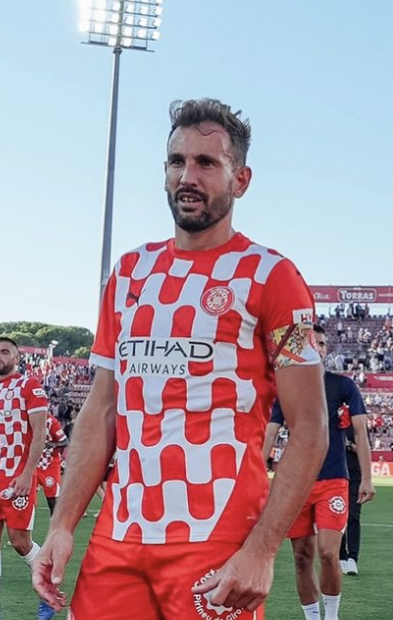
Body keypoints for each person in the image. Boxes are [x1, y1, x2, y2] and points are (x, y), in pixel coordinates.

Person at [32, 98, 329, 619]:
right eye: (177, 161)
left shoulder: (274, 277)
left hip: (215, 538)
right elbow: (101, 412)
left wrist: (260, 550)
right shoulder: (128, 274)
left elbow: (309, 425)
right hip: (119, 536)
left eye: (207, 163)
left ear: (241, 179)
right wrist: (61, 526)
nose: (187, 176)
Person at [264, 323, 375, 620]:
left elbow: (361, 432)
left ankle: (332, 615)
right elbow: (271, 432)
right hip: (296, 483)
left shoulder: (343, 385)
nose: (319, 347)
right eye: (314, 343)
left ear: (327, 350)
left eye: (323, 343)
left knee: (328, 553)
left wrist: (366, 477)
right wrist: (258, 471)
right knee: (302, 557)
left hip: (334, 481)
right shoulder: (285, 388)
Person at [0, 337, 53, 620]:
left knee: (19, 541)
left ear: (17, 358)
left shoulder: (29, 386)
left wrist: (27, 473)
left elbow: (40, 433)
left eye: (5, 351)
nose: (0, 355)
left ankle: (47, 588)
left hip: (15, 477)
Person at [340, 420, 370, 576]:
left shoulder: (357, 425)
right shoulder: (331, 420)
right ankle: (341, 556)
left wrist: (350, 446)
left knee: (353, 515)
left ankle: (352, 557)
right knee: (338, 516)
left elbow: (365, 450)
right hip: (336, 475)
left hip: (354, 475)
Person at [36, 414, 69, 514]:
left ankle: (54, 524)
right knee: (27, 497)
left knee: (51, 498)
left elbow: (64, 441)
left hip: (49, 464)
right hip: (33, 464)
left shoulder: (51, 422)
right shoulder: (27, 418)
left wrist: (54, 444)